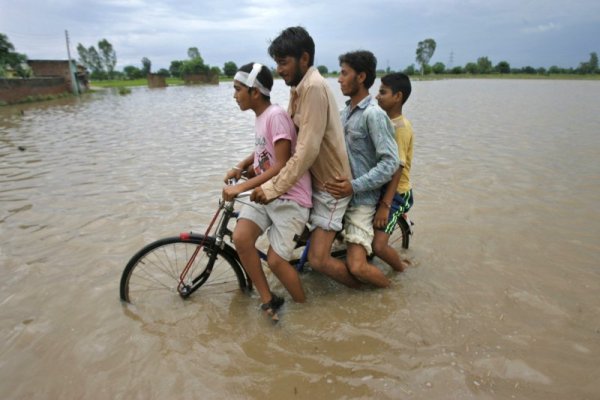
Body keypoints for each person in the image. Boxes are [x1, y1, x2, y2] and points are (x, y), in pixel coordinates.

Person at [251, 26, 361, 288]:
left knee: (318, 259)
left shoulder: (313, 87)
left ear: (304, 58)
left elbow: (307, 150)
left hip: (329, 187)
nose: (279, 69)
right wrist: (250, 165)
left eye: (284, 62)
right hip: (312, 181)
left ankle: (364, 293)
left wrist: (273, 188)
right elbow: (289, 140)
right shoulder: (298, 88)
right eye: (277, 63)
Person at [222, 62, 312, 319]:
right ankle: (268, 299)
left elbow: (282, 164)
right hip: (266, 193)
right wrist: (241, 166)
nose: (234, 95)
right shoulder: (261, 116)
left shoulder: (275, 115)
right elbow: (264, 150)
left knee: (276, 261)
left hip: (290, 198)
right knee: (240, 238)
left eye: (238, 89)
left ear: (254, 92)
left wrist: (242, 186)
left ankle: (306, 312)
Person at [324, 50, 400, 288]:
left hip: (361, 200)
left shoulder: (374, 115)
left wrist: (353, 186)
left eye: (344, 73)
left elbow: (390, 163)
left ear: (361, 77)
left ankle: (392, 294)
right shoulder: (344, 113)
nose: (339, 79)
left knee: (357, 266)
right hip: (340, 197)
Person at [373, 72, 414, 272]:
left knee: (378, 246)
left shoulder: (401, 128)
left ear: (397, 97)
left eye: (382, 92)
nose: (377, 96)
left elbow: (397, 167)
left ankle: (402, 270)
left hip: (396, 193)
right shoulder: (382, 120)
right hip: (380, 186)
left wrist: (385, 205)